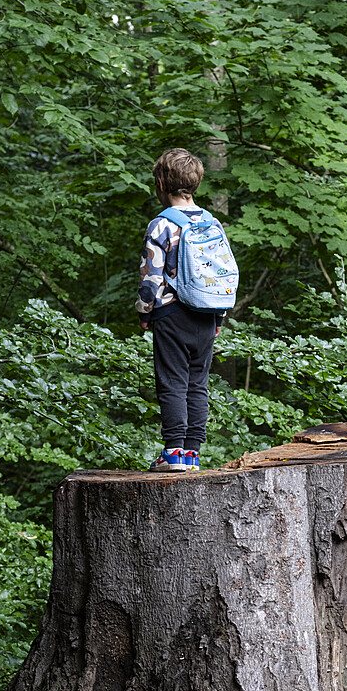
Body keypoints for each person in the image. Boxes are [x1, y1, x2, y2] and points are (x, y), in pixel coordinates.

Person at [137, 148, 225, 472]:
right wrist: (218, 317)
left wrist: (146, 312)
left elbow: (151, 275)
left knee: (173, 381)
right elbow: (220, 273)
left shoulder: (161, 225)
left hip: (172, 314)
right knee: (197, 384)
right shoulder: (212, 222)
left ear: (160, 182)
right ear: (196, 182)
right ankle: (192, 454)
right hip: (206, 314)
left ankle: (173, 452)